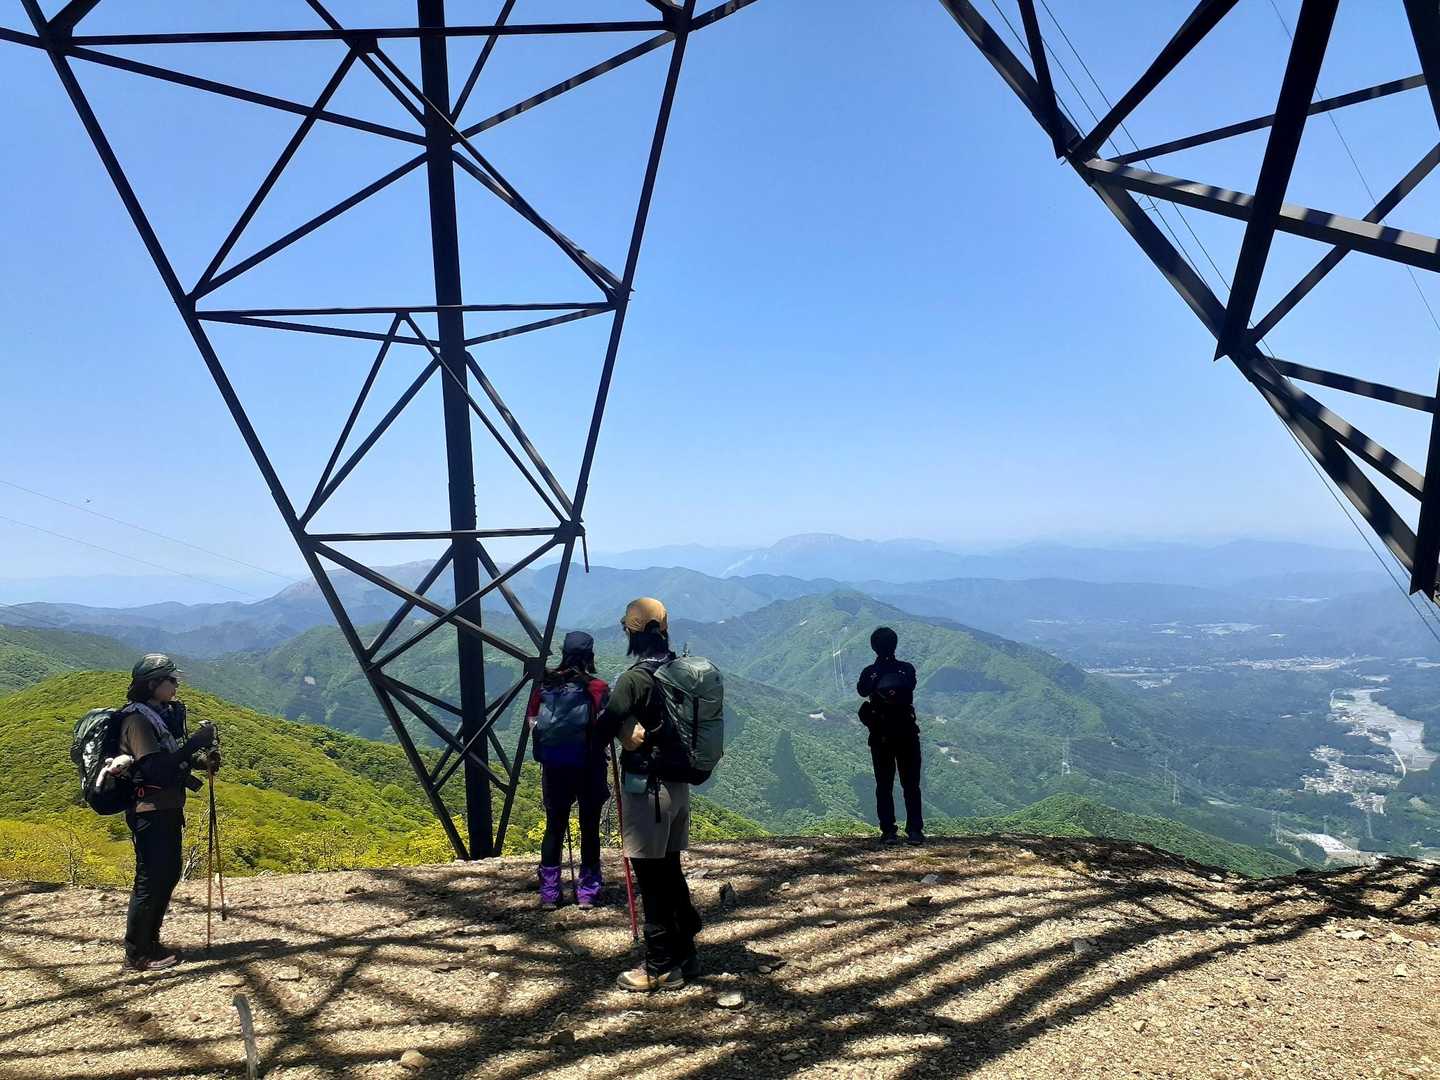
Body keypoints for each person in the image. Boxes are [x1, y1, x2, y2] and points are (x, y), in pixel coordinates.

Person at [595, 597, 702, 991]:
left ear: (630, 631)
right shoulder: (682, 671)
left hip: (648, 792)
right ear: (666, 629)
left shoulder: (634, 679)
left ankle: (658, 966)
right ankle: (686, 952)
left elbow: (600, 732)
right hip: (679, 787)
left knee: (651, 878)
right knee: (669, 871)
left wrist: (616, 723)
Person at [118, 653, 218, 971]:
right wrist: (195, 743)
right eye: (170, 680)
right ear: (152, 684)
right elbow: (156, 769)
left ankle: (151, 943)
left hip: (165, 807)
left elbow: (171, 757)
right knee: (151, 879)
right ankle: (137, 953)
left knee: (166, 875)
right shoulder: (137, 721)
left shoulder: (157, 716)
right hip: (150, 810)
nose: (176, 685)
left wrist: (202, 761)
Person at [525, 631, 611, 910]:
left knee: (555, 827)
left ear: (563, 653)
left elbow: (533, 724)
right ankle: (587, 892)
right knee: (589, 828)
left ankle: (550, 893)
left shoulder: (544, 686)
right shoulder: (597, 688)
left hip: (555, 767)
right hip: (589, 767)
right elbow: (606, 727)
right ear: (590, 656)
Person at [856, 626, 924, 846]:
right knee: (911, 784)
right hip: (907, 732)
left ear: (873, 647)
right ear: (895, 644)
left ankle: (888, 831)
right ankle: (915, 831)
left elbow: (862, 691)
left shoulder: (869, 672)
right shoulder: (906, 669)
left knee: (884, 785)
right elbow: (911, 685)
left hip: (881, 734)